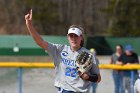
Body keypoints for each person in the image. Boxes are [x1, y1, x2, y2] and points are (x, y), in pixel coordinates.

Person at [25, 9, 101, 93]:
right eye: (71, 36)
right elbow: (40, 42)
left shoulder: (88, 54)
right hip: (63, 90)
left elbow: (98, 78)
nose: (73, 38)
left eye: (76, 36)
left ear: (81, 38)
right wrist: (29, 25)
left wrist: (89, 77)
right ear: (67, 37)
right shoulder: (60, 49)